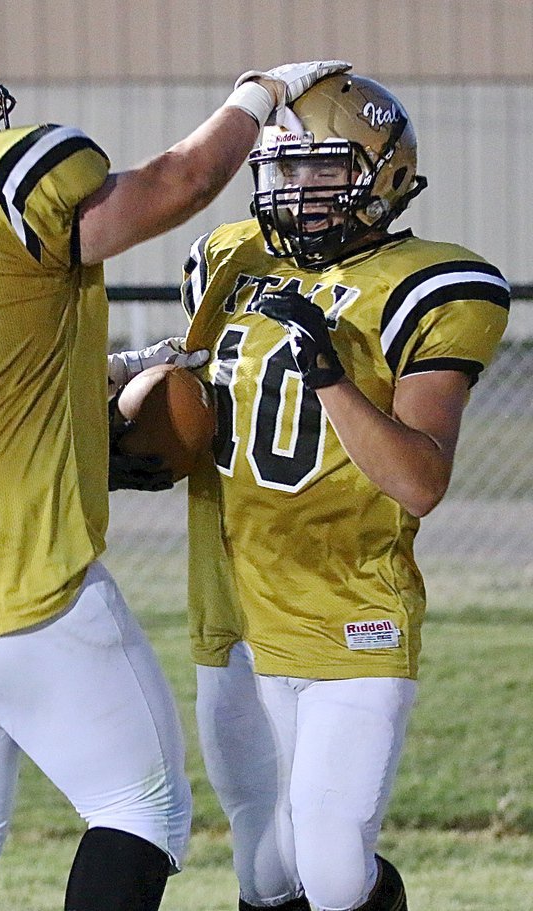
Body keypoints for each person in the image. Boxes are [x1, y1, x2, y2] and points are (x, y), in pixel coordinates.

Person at [0, 40, 348, 911]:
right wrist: (255, 97)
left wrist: (105, 371)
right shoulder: (3, 174)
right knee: (139, 811)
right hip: (16, 583)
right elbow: (177, 187)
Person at [112, 74, 510, 911]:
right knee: (264, 867)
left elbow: (420, 479)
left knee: (331, 867)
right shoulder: (230, 259)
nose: (299, 193)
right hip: (233, 602)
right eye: (285, 172)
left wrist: (328, 370)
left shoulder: (433, 281)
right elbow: (191, 398)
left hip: (349, 602)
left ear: (386, 174)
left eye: (324, 171)